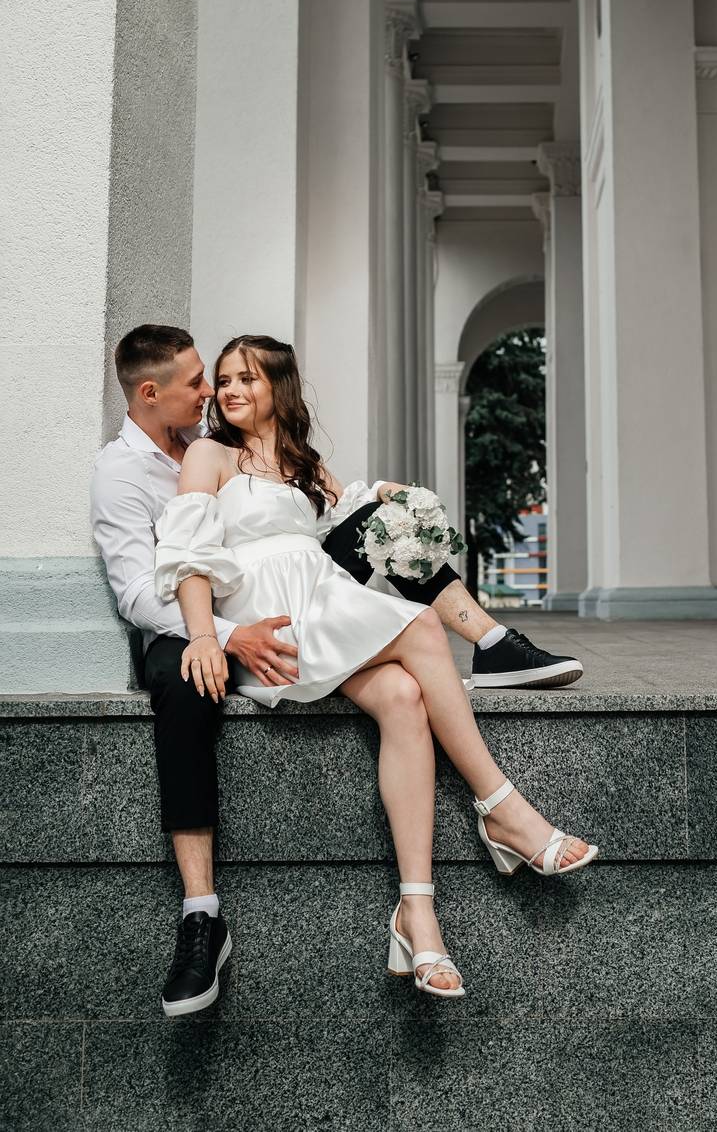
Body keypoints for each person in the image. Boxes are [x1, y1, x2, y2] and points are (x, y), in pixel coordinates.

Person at [89, 324, 583, 1015]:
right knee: (418, 626)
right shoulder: (199, 452)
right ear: (152, 393)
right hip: (268, 616)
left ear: (277, 389)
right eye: (215, 380)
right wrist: (209, 636)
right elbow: (184, 559)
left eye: (240, 378)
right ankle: (502, 807)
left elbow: (342, 502)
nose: (219, 390)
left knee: (403, 695)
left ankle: (417, 914)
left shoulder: (286, 455)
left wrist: (392, 498)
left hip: (318, 598)